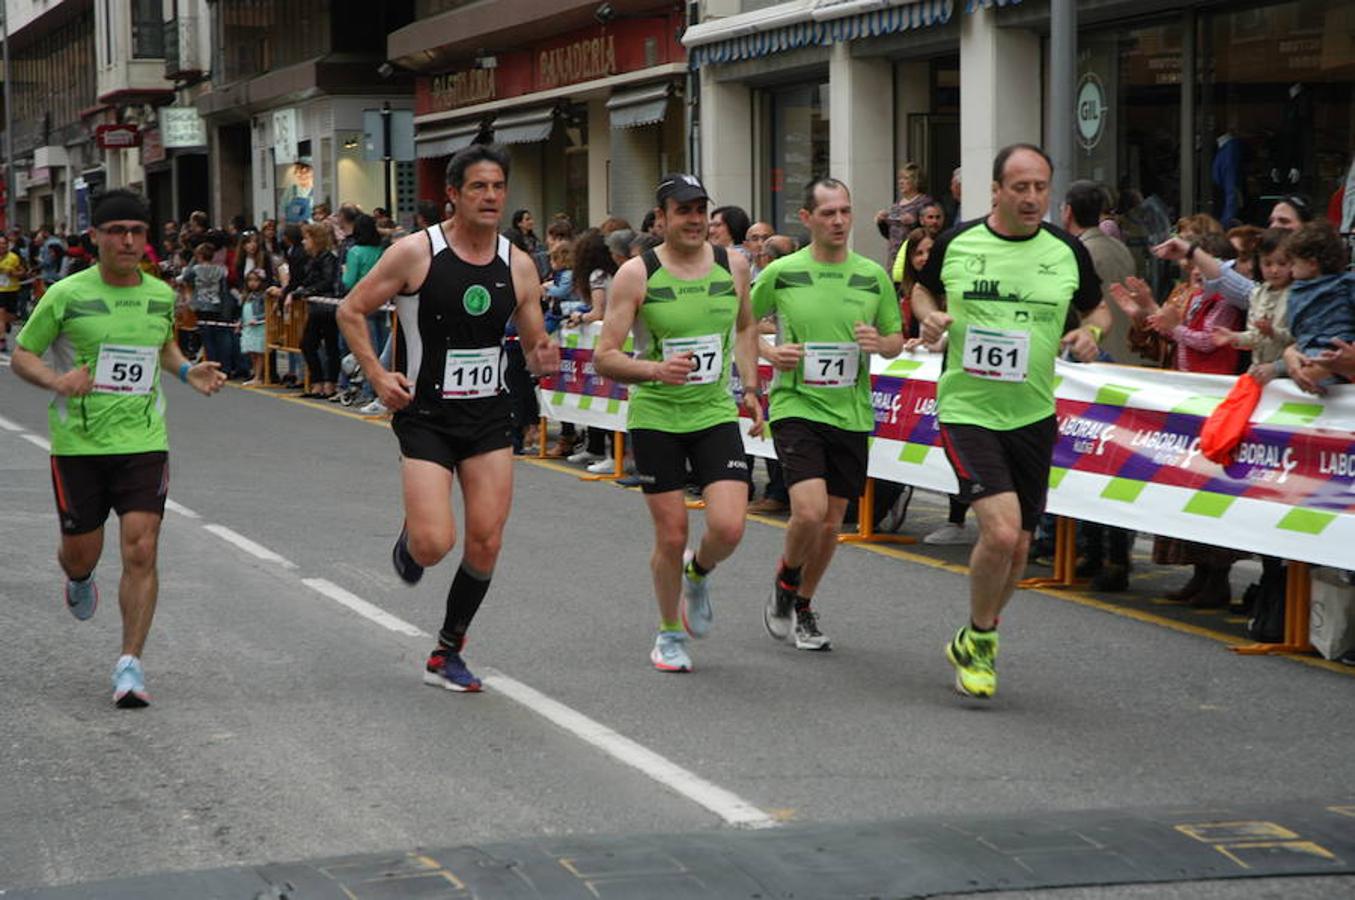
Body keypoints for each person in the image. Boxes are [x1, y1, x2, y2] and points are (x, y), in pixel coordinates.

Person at [337, 144, 558, 693]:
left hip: (488, 417)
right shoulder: (416, 253)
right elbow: (350, 310)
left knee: (485, 541)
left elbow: (533, 343)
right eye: (478, 187)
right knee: (436, 544)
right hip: (426, 416)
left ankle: (447, 651)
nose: (490, 197)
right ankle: (413, 537)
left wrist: (542, 356)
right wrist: (378, 376)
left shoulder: (519, 263)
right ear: (454, 195)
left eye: (498, 187)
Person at [9, 190, 227, 708]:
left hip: (143, 441)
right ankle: (79, 578)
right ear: (96, 237)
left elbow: (163, 345)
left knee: (141, 546)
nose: (127, 241)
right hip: (78, 446)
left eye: (136, 231)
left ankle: (130, 664)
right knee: (81, 553)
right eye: (116, 231)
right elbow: (22, 355)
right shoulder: (65, 294)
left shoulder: (158, 294)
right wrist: (58, 381)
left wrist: (185, 369)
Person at [913, 144, 1107, 699]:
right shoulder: (957, 241)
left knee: (1019, 547)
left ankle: (979, 633)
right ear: (996, 190)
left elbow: (1098, 309)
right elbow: (922, 289)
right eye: (1019, 187)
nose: (1031, 198)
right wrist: (929, 319)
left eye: (1041, 187)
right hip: (968, 408)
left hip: (1033, 414)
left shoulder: (1068, 251)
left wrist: (1090, 334)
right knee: (999, 531)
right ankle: (981, 639)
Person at [593, 173, 763, 673]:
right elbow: (606, 357)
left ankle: (699, 570)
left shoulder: (733, 263)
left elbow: (747, 323)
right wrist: (654, 371)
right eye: (682, 211)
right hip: (658, 417)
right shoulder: (636, 274)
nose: (693, 220)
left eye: (700, 211)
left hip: (713, 413)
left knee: (730, 527)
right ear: (661, 218)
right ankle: (669, 633)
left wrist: (751, 387)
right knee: (670, 535)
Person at [754, 177, 904, 651]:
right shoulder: (783, 272)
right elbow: (739, 322)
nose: (839, 221)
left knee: (832, 523)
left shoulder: (872, 276)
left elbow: (896, 339)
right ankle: (786, 578)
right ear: (807, 219)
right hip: (797, 404)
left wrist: (881, 345)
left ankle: (801, 603)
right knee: (809, 510)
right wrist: (768, 351)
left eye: (845, 211)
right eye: (828, 213)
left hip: (851, 411)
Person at [239, 268, 269, 385]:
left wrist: (258, 319)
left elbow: (268, 311)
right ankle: (255, 374)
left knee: (259, 351)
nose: (252, 283)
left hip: (259, 326)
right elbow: (243, 310)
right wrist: (240, 321)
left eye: (256, 280)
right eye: (250, 280)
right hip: (248, 326)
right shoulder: (247, 295)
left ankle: (258, 376)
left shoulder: (263, 296)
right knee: (251, 351)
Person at [0, 233, 22, 351]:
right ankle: (2, 340)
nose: (2, 246)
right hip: (0, 291)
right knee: (1, 314)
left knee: (11, 316)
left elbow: (22, 272)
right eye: (0, 244)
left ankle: (6, 324)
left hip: (12, 289)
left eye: (4, 243)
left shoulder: (14, 257)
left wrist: (13, 273)